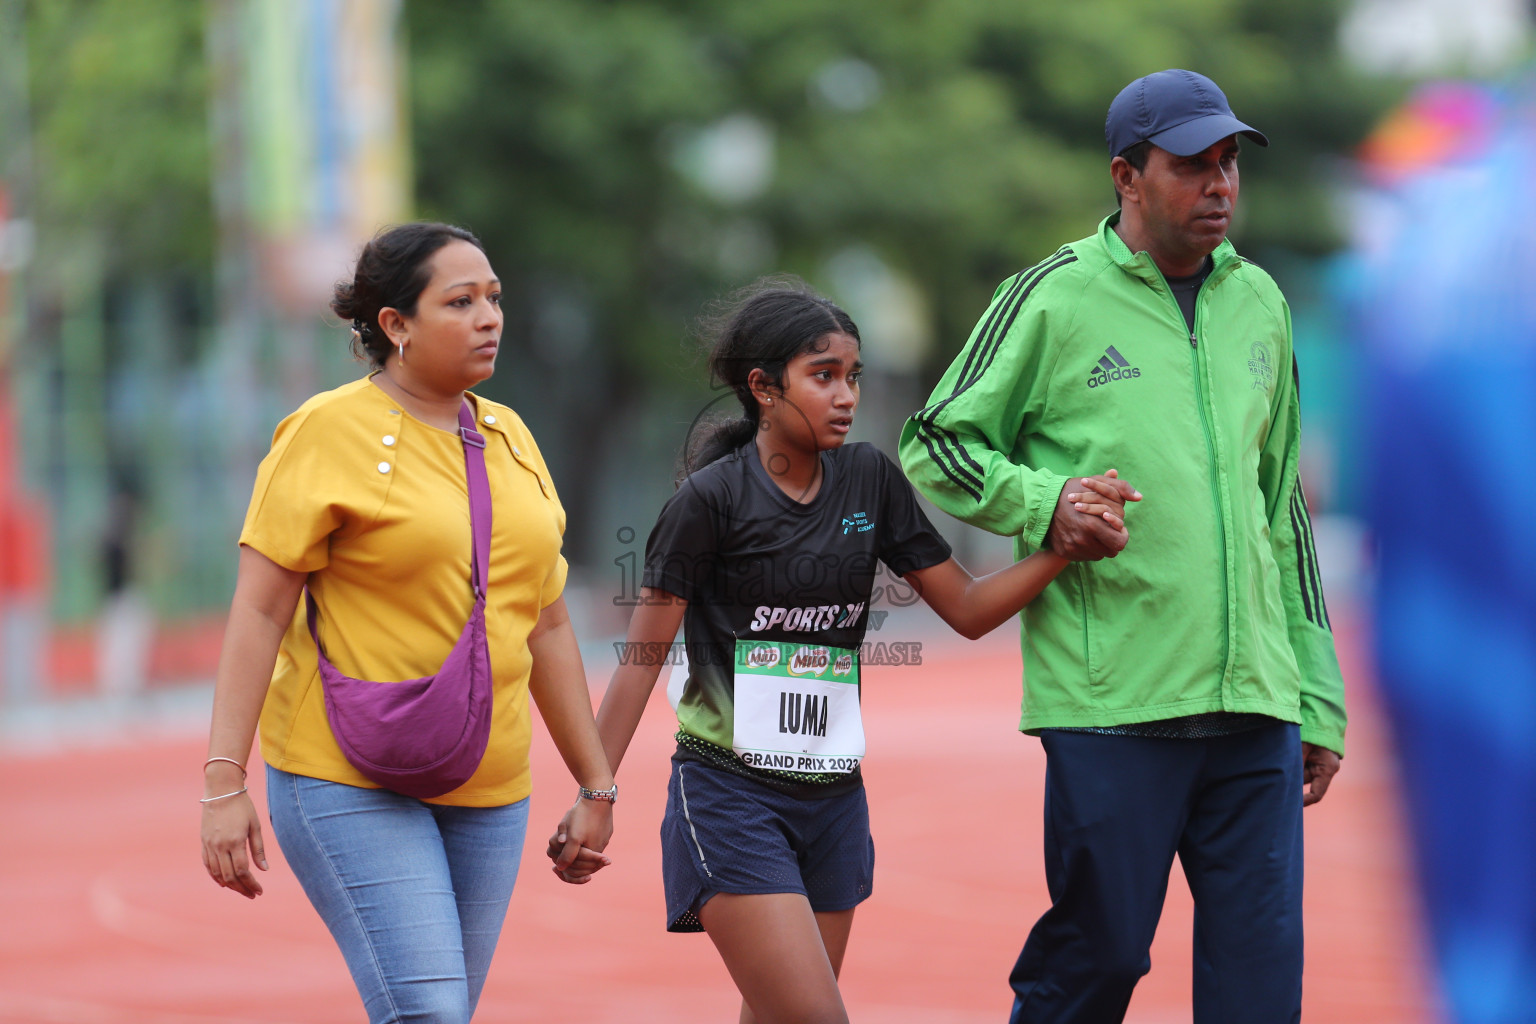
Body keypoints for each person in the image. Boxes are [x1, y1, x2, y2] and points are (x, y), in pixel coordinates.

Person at [551, 279, 1133, 1024]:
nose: (846, 395)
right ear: (764, 388)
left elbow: (968, 609)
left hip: (832, 800)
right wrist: (596, 794)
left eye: (852, 376)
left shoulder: (870, 480)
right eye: (822, 376)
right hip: (730, 794)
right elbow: (638, 662)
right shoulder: (710, 502)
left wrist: (1064, 548)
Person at [897, 69, 1347, 1024]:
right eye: (1192, 166)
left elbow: (1284, 510)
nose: (1220, 185)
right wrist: (1047, 500)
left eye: (1229, 164)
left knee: (1262, 990)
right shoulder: (1051, 297)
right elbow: (933, 439)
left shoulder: (1262, 303)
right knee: (1097, 964)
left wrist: (1316, 692)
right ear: (1126, 176)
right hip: (1114, 703)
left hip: (1255, 704)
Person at [199, 222, 616, 1024]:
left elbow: (549, 624)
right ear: (395, 324)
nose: (489, 316)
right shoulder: (325, 430)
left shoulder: (510, 437)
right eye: (459, 301)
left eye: (494, 297)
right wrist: (224, 781)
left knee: (443, 1011)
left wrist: (595, 783)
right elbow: (258, 608)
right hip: (344, 770)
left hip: (490, 784)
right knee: (426, 1010)